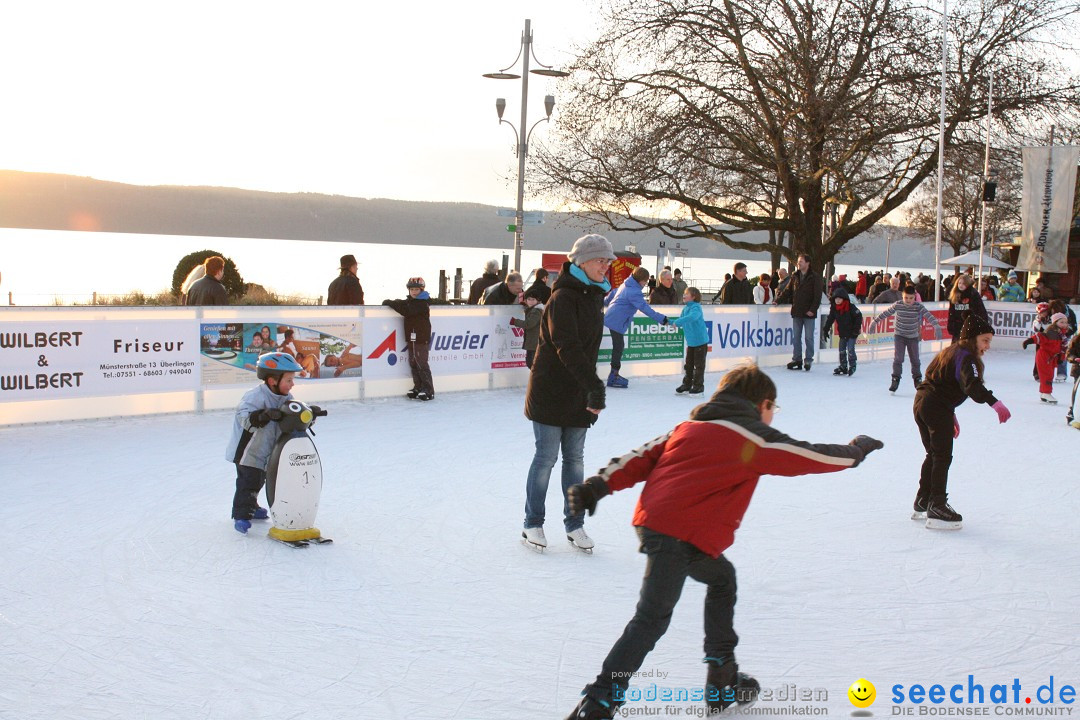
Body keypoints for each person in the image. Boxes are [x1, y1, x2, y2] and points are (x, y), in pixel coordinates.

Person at [561, 363, 883, 720]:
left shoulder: (688, 427)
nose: (772, 416)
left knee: (721, 580)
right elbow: (809, 455)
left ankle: (723, 678)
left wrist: (597, 486)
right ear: (761, 403)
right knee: (651, 619)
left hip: (661, 526)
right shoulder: (753, 438)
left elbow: (641, 457)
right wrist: (856, 452)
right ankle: (600, 700)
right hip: (679, 533)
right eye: (772, 408)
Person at [522, 234, 615, 553]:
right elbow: (568, 348)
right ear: (582, 261)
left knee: (575, 460)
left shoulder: (594, 296)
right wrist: (595, 386)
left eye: (608, 261)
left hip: (578, 391)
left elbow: (586, 351)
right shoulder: (563, 298)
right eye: (601, 260)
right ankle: (533, 523)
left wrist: (589, 388)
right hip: (550, 389)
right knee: (546, 458)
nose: (607, 266)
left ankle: (574, 525)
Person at [912, 315, 1010, 531]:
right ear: (972, 338)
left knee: (934, 454)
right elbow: (972, 386)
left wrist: (951, 411)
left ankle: (923, 498)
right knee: (942, 455)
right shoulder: (967, 357)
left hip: (923, 403)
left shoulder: (952, 352)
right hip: (935, 406)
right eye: (985, 340)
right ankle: (936, 505)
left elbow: (939, 381)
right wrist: (995, 403)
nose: (987, 346)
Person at [225, 352, 303, 534]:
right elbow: (244, 418)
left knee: (261, 480)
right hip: (248, 452)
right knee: (248, 483)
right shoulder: (254, 397)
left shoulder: (287, 398)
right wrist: (262, 415)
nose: (293, 384)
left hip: (268, 450)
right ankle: (242, 514)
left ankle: (252, 505)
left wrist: (307, 415)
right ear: (272, 381)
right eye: (289, 380)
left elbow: (292, 417)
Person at [603, 266, 669, 389]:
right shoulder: (634, 292)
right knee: (619, 346)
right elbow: (646, 309)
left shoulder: (626, 284)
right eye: (646, 281)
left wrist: (602, 302)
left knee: (618, 346)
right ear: (641, 281)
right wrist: (663, 320)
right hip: (616, 320)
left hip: (612, 317)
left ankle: (614, 374)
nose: (646, 284)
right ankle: (613, 375)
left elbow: (613, 294)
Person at [872, 284, 943, 393]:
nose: (908, 300)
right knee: (898, 359)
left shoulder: (918, 306)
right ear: (902, 296)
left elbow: (928, 315)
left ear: (914, 297)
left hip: (913, 337)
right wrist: (875, 321)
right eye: (906, 297)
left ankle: (917, 379)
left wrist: (936, 326)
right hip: (899, 336)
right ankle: (895, 378)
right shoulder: (898, 305)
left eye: (911, 298)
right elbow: (886, 313)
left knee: (915, 359)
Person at [383, 277, 435, 400]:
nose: (414, 292)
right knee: (413, 362)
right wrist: (391, 301)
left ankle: (428, 389)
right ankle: (418, 387)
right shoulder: (411, 301)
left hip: (421, 338)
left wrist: (391, 303)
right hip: (412, 337)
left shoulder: (422, 303)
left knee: (421, 362)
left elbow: (407, 310)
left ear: (422, 290)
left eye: (416, 289)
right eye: (412, 289)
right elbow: (403, 304)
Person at [779, 254, 823, 371]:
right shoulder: (795, 276)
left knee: (809, 337)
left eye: (801, 262)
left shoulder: (815, 277)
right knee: (796, 337)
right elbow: (788, 290)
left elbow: (817, 296)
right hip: (797, 311)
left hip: (809, 313)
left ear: (808, 263)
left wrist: (812, 310)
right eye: (798, 262)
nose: (799, 264)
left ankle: (808, 359)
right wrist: (777, 300)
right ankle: (797, 359)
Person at [1022, 312, 1069, 404]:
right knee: (1046, 375)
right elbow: (1039, 337)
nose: (1064, 324)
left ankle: (1044, 393)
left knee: (1050, 375)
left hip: (1051, 357)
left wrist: (1061, 358)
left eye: (1065, 322)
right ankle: (1046, 393)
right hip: (1044, 356)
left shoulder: (1062, 335)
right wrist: (1029, 341)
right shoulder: (1051, 332)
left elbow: (1062, 348)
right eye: (1061, 322)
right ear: (1055, 323)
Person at [671, 286, 708, 395]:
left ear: (693, 296)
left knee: (699, 365)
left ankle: (698, 386)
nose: (684, 295)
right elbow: (680, 321)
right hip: (691, 343)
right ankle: (687, 384)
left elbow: (693, 317)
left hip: (700, 342)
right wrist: (668, 321)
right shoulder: (685, 308)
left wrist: (676, 322)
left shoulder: (696, 307)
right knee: (689, 365)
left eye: (686, 293)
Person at [823, 287, 863, 376]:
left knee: (850, 349)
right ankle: (843, 365)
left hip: (852, 332)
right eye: (836, 299)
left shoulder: (850, 307)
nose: (837, 300)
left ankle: (852, 365)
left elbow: (858, 316)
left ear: (844, 299)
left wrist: (856, 330)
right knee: (841, 350)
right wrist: (826, 329)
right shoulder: (834, 308)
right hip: (843, 332)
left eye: (839, 299)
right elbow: (830, 318)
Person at [945, 274, 988, 343]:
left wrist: (979, 325)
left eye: (963, 283)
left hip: (970, 326)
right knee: (955, 348)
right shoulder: (954, 295)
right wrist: (951, 325)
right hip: (957, 327)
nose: (961, 285)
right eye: (959, 283)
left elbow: (980, 311)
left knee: (967, 347)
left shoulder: (973, 294)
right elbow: (951, 312)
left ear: (968, 284)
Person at [510, 287, 545, 369]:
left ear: (538, 301)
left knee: (532, 363)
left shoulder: (536, 311)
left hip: (534, 342)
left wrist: (515, 322)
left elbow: (529, 324)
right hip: (532, 342)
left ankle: (536, 380)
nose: (531, 301)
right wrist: (526, 306)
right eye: (529, 299)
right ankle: (535, 379)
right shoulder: (533, 309)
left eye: (533, 299)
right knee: (530, 363)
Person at [1049, 299, 1076, 382]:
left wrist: (1065, 335)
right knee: (1050, 353)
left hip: (1065, 336)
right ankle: (1048, 372)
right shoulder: (1050, 311)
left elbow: (1074, 327)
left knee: (1063, 352)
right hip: (1052, 336)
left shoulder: (1069, 313)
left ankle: (1062, 373)